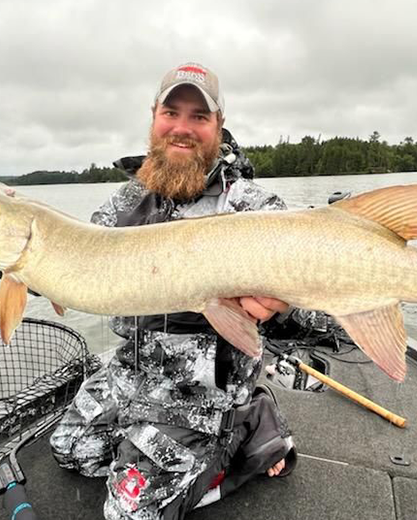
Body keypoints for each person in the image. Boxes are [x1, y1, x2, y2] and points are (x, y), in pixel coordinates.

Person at [49, 63, 297, 520]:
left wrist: (280, 310)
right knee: (72, 451)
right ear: (154, 117)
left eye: (199, 117)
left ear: (218, 127)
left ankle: (248, 422)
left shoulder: (254, 208)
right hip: (134, 375)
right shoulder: (127, 201)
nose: (182, 128)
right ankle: (145, 437)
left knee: (129, 513)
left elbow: (315, 320)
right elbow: (73, 254)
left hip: (201, 395)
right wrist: (7, 255)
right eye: (171, 112)